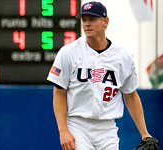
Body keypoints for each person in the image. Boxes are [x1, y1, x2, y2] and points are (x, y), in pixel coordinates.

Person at [47, 1, 152, 150]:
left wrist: (145, 133)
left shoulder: (124, 56)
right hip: (77, 124)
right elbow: (59, 92)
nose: (87, 24)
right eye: (84, 19)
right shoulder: (68, 52)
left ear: (105, 22)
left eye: (92, 19)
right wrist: (63, 130)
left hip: (107, 127)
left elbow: (131, 95)